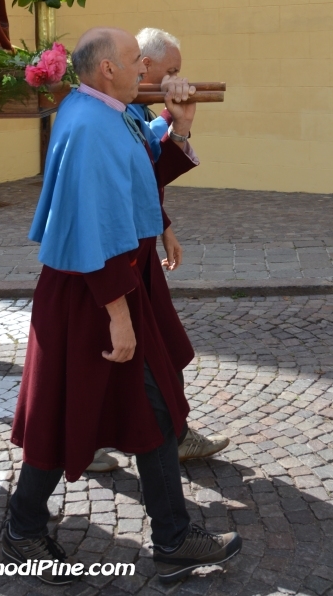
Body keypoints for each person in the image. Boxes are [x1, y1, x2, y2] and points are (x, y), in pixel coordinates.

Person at [4, 28, 242, 585]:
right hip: (93, 295)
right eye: (138, 61)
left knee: (145, 409)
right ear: (107, 69)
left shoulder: (107, 112)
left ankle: (172, 536)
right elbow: (90, 224)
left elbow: (138, 179)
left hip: (109, 287)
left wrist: (179, 126)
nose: (147, 71)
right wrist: (117, 313)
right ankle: (26, 528)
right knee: (80, 410)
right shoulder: (89, 126)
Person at [135, 26, 230, 462]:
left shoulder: (136, 112)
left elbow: (146, 183)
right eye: (171, 69)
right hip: (117, 259)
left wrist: (164, 227)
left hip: (137, 250)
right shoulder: (117, 112)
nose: (177, 77)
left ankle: (168, 435)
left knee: (159, 350)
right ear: (146, 65)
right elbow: (131, 186)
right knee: (154, 351)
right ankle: (169, 439)